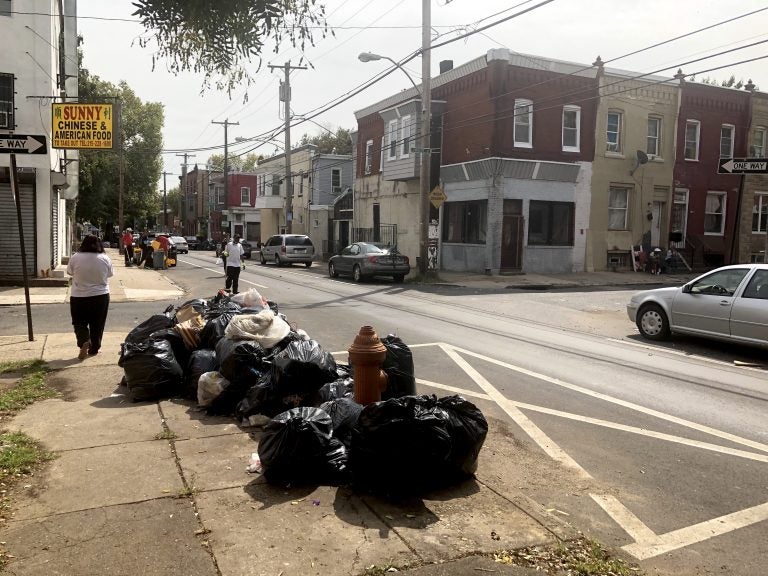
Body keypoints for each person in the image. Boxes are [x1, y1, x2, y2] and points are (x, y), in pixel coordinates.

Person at [66, 235, 114, 360]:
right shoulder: (104, 258)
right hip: (100, 296)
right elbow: (110, 274)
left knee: (79, 322)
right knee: (97, 323)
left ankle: (83, 341)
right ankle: (94, 349)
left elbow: (69, 272)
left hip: (79, 296)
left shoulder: (75, 257)